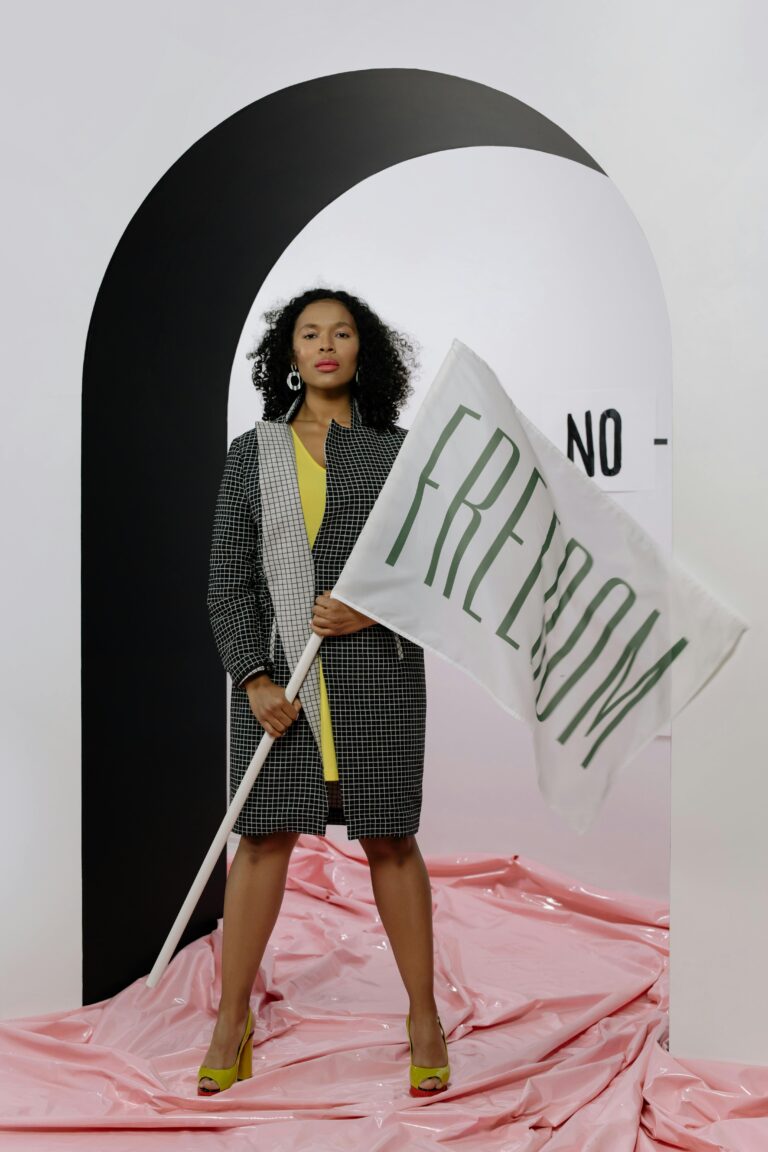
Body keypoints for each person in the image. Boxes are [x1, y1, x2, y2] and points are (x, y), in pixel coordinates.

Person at [198, 288, 451, 1098]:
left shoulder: (399, 452)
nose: (326, 345)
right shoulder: (254, 451)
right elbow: (228, 582)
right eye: (310, 333)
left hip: (376, 676)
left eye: (342, 333)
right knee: (263, 839)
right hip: (283, 683)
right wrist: (254, 678)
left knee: (391, 839)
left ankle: (423, 1016)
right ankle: (231, 1017)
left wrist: (368, 606)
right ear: (290, 352)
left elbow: (430, 572)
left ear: (362, 350)